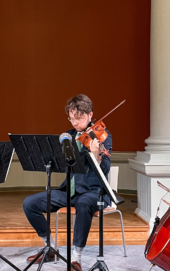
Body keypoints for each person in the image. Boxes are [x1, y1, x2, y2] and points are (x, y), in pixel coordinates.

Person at [22, 94, 112, 271]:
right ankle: (50, 248)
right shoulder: (68, 137)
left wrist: (95, 156)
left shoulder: (103, 137)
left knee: (84, 202)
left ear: (90, 115)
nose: (75, 123)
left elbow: (105, 169)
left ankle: (76, 258)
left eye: (79, 118)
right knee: (29, 203)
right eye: (71, 119)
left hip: (94, 192)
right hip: (69, 191)